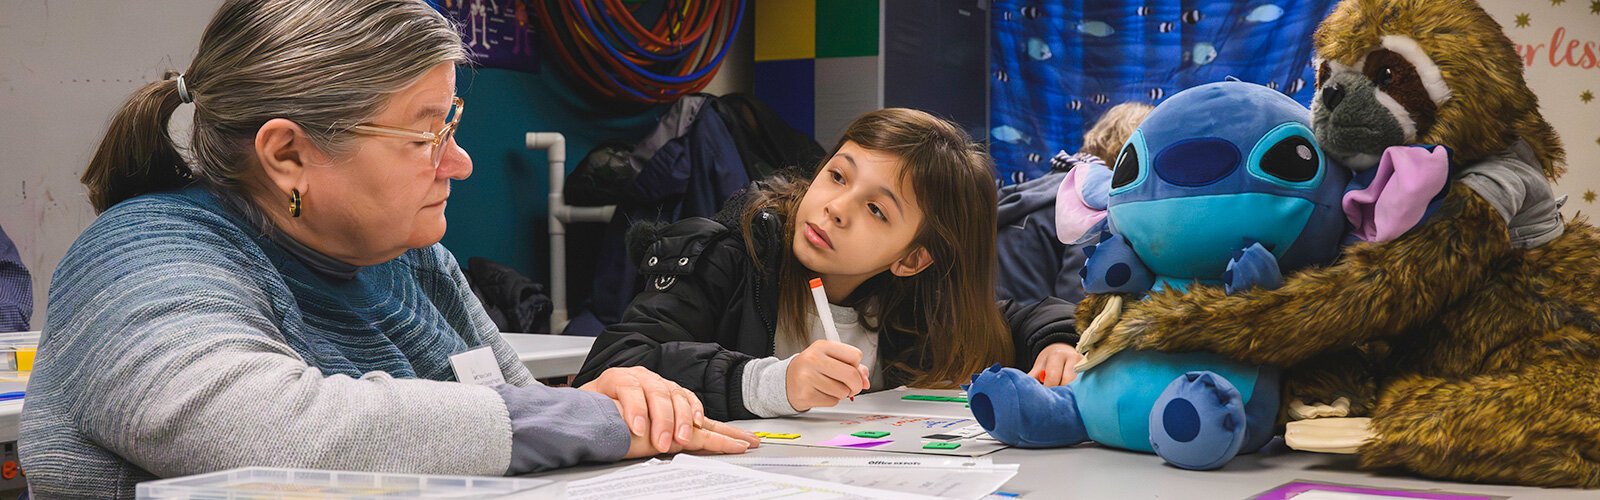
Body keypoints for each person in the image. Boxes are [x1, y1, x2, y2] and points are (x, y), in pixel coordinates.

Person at [19, 1, 752, 497]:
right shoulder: (137, 257)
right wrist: (585, 419)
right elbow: (265, 432)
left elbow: (506, 416)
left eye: (451, 124)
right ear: (286, 154)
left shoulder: (409, 259)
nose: (459, 162)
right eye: (426, 133)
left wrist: (588, 405)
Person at [577, 109, 1082, 419]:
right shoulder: (729, 254)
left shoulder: (912, 302)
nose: (836, 208)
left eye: (876, 209)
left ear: (912, 259)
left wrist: (1057, 342)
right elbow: (610, 365)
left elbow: (1013, 316)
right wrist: (774, 382)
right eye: (838, 176)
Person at [995, 102, 1153, 306]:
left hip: (994, 326)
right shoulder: (1095, 200)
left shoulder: (1042, 188)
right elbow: (1081, 297)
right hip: (1044, 334)